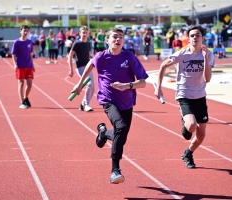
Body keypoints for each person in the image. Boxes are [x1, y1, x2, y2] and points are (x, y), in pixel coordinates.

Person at [71, 27, 148, 183]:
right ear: (107, 41)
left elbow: (143, 83)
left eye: (120, 37)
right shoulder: (101, 57)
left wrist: (128, 85)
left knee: (121, 136)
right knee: (121, 128)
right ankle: (115, 170)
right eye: (114, 37)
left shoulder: (129, 57)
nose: (117, 40)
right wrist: (79, 84)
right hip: (108, 99)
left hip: (126, 101)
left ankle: (104, 133)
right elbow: (89, 65)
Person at [154, 25, 215, 169]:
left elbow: (207, 79)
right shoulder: (182, 53)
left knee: (201, 136)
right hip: (184, 94)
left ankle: (188, 153)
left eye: (198, 35)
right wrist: (159, 87)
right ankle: (185, 122)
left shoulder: (209, 54)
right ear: (189, 38)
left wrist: (205, 58)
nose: (195, 38)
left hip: (200, 96)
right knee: (192, 126)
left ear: (202, 37)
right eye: (192, 35)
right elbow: (163, 65)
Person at [68, 26, 94, 112]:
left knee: (93, 87)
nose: (85, 34)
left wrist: (94, 58)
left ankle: (83, 104)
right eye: (83, 32)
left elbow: (89, 55)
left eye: (86, 32)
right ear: (80, 33)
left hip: (88, 67)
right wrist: (71, 69)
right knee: (89, 84)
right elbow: (70, 56)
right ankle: (86, 104)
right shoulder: (76, 43)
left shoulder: (88, 44)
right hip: (80, 67)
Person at [11, 25, 35, 109]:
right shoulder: (16, 42)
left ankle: (25, 97)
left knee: (30, 84)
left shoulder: (29, 42)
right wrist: (14, 64)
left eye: (27, 31)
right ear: (20, 31)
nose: (25, 32)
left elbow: (31, 54)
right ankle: (21, 102)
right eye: (24, 31)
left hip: (28, 65)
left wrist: (33, 64)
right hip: (20, 65)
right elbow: (13, 54)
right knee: (21, 83)